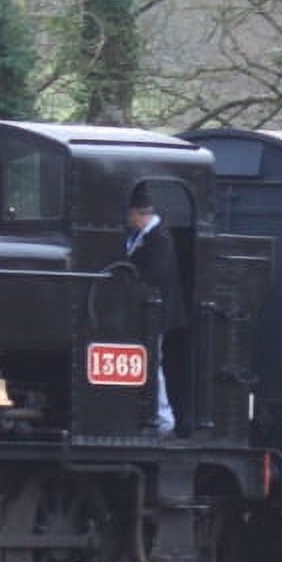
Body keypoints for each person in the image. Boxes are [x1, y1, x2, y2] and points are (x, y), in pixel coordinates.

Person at [124, 183, 182, 435]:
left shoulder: (159, 238)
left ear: (138, 213)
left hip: (155, 313)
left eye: (129, 214)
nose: (127, 220)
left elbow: (154, 275)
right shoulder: (145, 236)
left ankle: (163, 418)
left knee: (152, 364)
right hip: (145, 312)